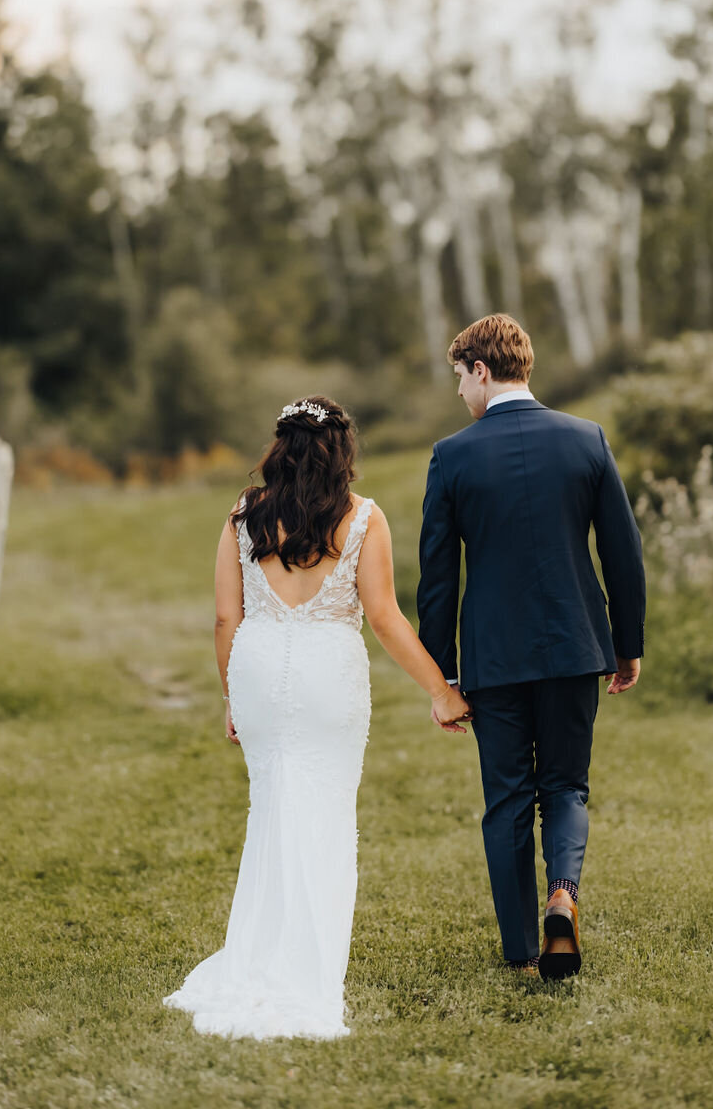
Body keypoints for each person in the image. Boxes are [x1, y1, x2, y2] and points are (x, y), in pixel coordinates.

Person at [163, 395, 469, 1040]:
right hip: (328, 674)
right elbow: (384, 617)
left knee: (272, 807)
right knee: (324, 814)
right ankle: (304, 970)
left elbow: (225, 618)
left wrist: (230, 697)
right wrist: (440, 691)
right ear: (342, 451)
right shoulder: (363, 519)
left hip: (258, 668)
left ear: (280, 447)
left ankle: (260, 953)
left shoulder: (243, 515)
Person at [417, 314, 645, 979]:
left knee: (508, 797)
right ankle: (563, 897)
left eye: (461, 377)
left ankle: (521, 952)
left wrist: (441, 678)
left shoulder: (452, 455)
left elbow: (438, 578)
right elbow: (623, 555)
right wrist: (626, 644)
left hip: (492, 658)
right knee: (567, 786)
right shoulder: (585, 440)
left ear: (481, 371)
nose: (460, 392)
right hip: (576, 644)